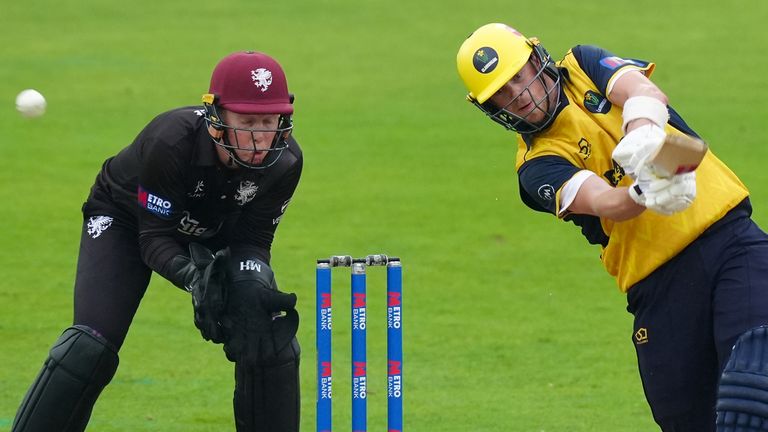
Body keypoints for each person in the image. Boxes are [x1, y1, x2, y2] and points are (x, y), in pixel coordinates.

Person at [456, 23, 768, 431]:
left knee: (751, 386)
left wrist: (644, 136)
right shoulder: (535, 167)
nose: (520, 94)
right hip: (657, 284)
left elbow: (645, 93)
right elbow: (605, 202)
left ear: (538, 59)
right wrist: (643, 192)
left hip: (731, 243)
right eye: (501, 93)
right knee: (689, 419)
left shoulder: (583, 63)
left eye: (519, 76)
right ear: (490, 108)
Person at [11, 51, 303, 432]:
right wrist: (196, 279)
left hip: (214, 230)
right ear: (216, 119)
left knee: (267, 338)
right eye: (246, 121)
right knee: (88, 348)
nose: (259, 136)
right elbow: (153, 239)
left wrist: (250, 280)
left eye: (268, 121)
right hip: (126, 220)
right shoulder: (172, 141)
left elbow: (254, 239)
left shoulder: (285, 162)